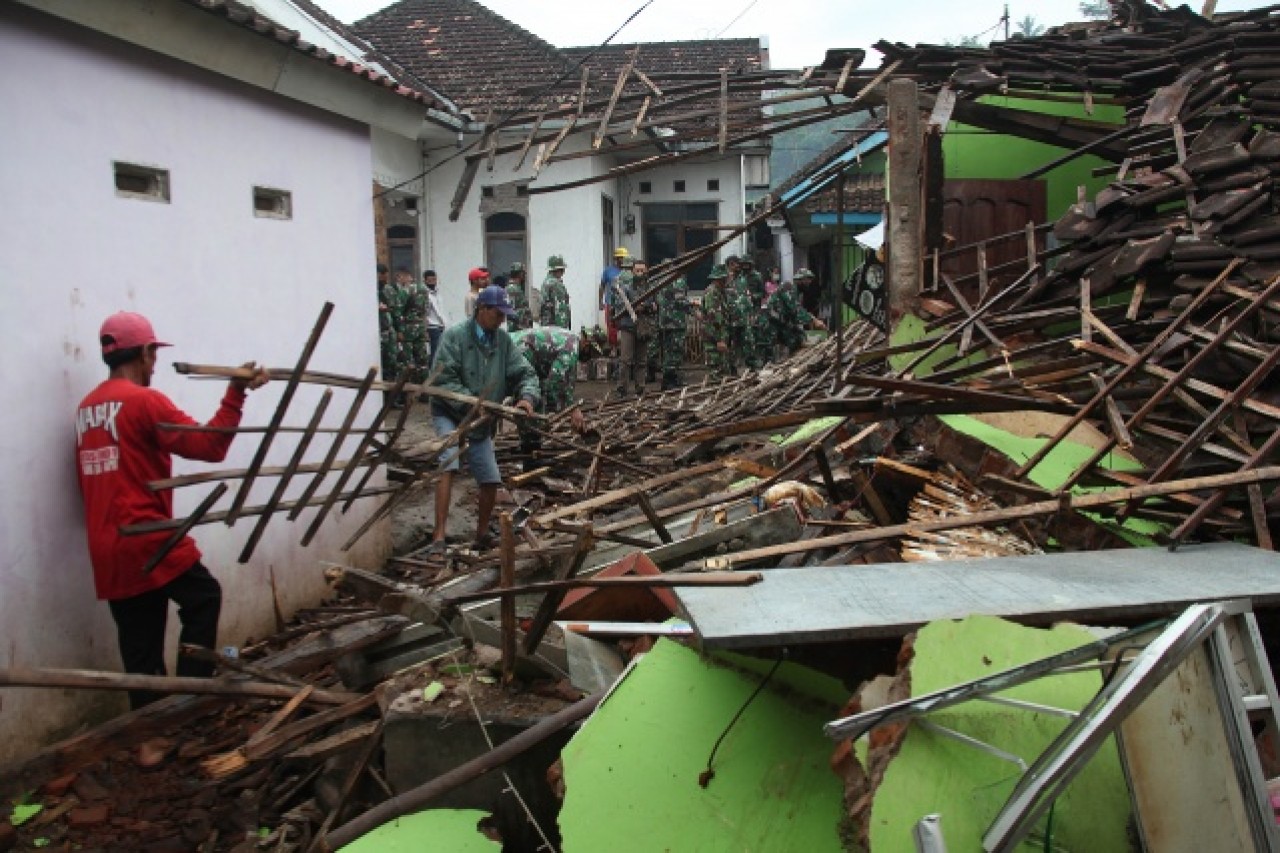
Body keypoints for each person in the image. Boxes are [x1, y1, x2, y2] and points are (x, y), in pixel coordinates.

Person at [75, 311, 269, 709]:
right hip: (147, 533)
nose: (155, 363)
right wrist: (236, 393)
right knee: (203, 597)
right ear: (146, 352)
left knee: (139, 640)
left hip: (107, 542)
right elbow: (210, 446)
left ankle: (149, 737)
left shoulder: (86, 408)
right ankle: (189, 701)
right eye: (154, 354)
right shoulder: (144, 401)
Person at [426, 285, 540, 554]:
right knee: (449, 462)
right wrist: (472, 403)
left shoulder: (502, 341)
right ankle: (438, 536)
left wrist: (527, 397)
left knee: (490, 479)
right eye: (497, 314)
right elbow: (443, 378)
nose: (502, 320)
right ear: (482, 309)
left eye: (504, 315)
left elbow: (525, 373)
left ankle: (481, 534)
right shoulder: (454, 337)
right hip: (449, 412)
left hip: (482, 418)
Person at [511, 326, 586, 460]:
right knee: (528, 402)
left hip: (517, 348)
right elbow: (557, 381)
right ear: (586, 342)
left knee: (534, 398)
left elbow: (562, 381)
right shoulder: (572, 347)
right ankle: (530, 455)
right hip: (519, 353)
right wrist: (572, 409)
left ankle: (529, 448)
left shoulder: (570, 338)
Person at [607, 256, 650, 396]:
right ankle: (622, 388)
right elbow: (618, 305)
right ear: (632, 271)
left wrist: (647, 307)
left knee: (642, 360)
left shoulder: (649, 287)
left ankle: (640, 387)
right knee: (625, 360)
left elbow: (655, 304)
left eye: (642, 270)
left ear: (646, 271)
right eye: (637, 270)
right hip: (628, 326)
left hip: (643, 325)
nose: (640, 273)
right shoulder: (624, 288)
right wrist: (632, 307)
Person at [768, 268, 826, 357]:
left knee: (798, 337)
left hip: (782, 321)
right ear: (800, 279)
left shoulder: (796, 292)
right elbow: (795, 310)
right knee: (771, 351)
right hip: (772, 323)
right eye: (807, 279)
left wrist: (811, 320)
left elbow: (796, 311)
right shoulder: (788, 287)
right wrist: (813, 320)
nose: (809, 282)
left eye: (810, 280)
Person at [701, 264, 742, 380]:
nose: (728, 280)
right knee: (716, 374)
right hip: (714, 339)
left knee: (723, 372)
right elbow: (712, 319)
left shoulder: (721, 292)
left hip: (721, 338)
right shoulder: (712, 293)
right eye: (726, 278)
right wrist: (718, 340)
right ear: (720, 279)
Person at [654, 271, 691, 390]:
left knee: (668, 350)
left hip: (664, 322)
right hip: (676, 322)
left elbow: (657, 301)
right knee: (675, 351)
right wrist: (692, 308)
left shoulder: (659, 282)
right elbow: (681, 301)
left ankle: (670, 378)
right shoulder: (678, 282)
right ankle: (669, 379)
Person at [391, 268, 428, 384]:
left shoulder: (405, 291)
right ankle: (423, 389)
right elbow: (425, 309)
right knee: (422, 359)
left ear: (404, 277)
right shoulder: (423, 289)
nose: (398, 280)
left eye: (399, 277)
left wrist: (399, 330)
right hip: (420, 327)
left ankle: (406, 390)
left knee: (405, 360)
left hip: (408, 329)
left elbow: (398, 311)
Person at [376, 263, 400, 383]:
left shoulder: (389, 290)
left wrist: (399, 330)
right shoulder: (370, 290)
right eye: (382, 275)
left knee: (392, 362)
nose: (384, 278)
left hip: (389, 331)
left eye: (385, 275)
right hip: (378, 332)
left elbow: (396, 311)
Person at [423, 269, 447, 366]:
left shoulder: (437, 293)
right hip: (432, 327)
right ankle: (432, 372)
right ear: (425, 281)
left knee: (440, 352)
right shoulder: (424, 294)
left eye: (434, 279)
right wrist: (425, 330)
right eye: (430, 280)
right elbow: (424, 313)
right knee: (434, 352)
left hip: (440, 325)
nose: (433, 282)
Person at [539, 255, 571, 328]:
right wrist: (563, 329)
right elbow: (561, 308)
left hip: (546, 324)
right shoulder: (556, 284)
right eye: (562, 270)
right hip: (555, 326)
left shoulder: (545, 282)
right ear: (558, 270)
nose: (563, 272)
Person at [506, 262, 534, 331]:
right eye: (524, 273)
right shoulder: (512, 289)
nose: (525, 276)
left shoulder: (516, 288)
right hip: (517, 328)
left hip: (520, 327)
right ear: (520, 274)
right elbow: (512, 310)